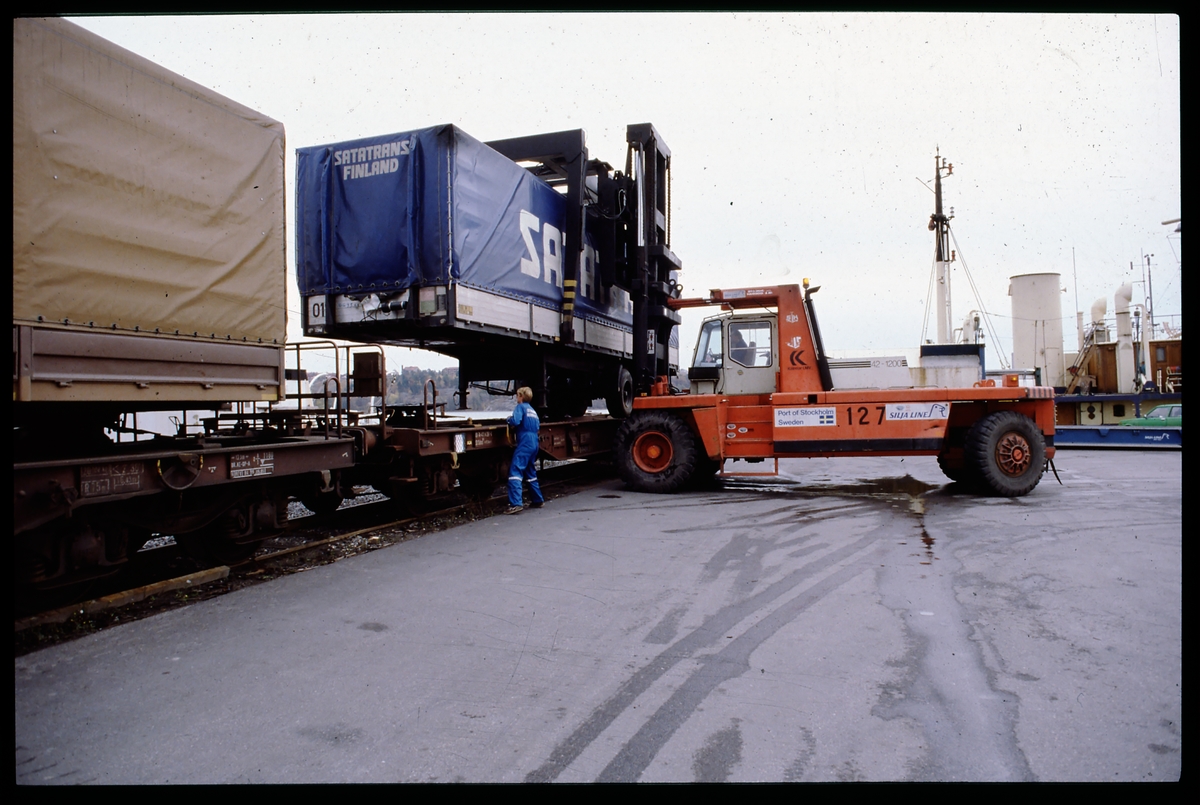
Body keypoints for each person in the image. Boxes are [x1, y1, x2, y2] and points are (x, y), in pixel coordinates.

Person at [506, 386, 545, 514]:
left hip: (525, 442)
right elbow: (537, 427)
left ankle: (516, 503)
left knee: (515, 471)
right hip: (534, 442)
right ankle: (537, 499)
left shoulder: (520, 407)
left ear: (521, 396)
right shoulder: (533, 411)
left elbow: (516, 421)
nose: (516, 398)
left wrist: (508, 420)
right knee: (530, 471)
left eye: (517, 395)